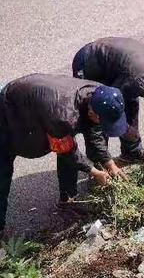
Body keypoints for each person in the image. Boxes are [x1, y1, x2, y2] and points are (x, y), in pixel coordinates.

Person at [0, 74, 129, 236]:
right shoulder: (64, 116)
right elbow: (67, 151)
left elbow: (94, 133)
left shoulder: (99, 95)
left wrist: (110, 165)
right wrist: (94, 172)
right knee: (2, 168)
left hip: (41, 103)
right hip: (9, 107)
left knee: (63, 141)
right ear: (92, 113)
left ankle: (68, 199)